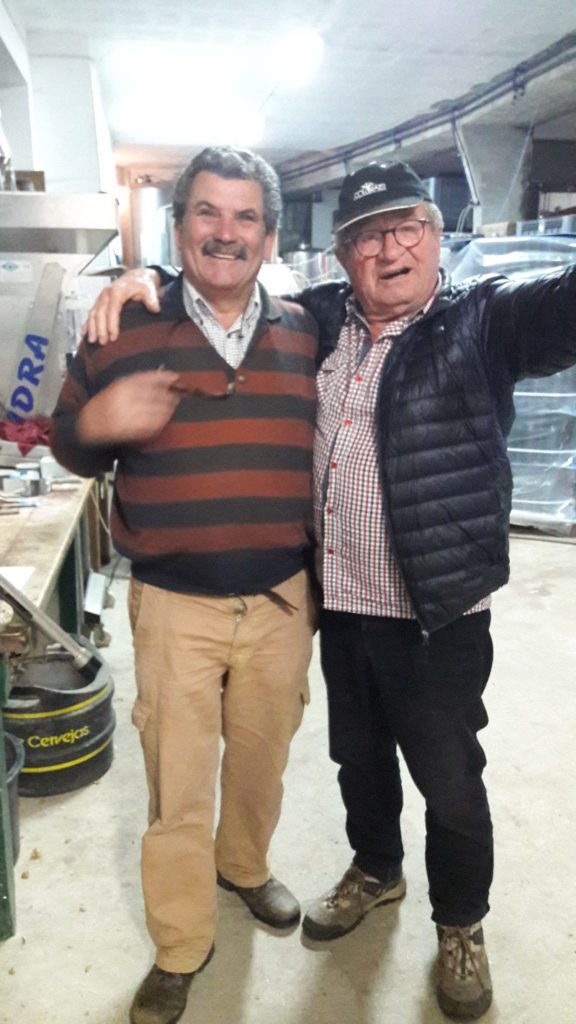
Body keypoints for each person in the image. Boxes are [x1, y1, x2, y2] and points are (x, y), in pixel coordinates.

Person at [84, 159, 576, 1022]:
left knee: (451, 779)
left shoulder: (485, 322)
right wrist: (147, 277)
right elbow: (224, 283)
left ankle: (461, 922)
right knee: (359, 760)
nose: (390, 250)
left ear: (436, 237)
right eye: (367, 237)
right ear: (342, 257)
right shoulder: (318, 319)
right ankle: (377, 868)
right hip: (341, 604)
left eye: (408, 227)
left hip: (436, 611)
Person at [51, 145, 318, 1024]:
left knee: (263, 760)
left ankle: (243, 867)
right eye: (208, 212)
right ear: (177, 227)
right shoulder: (121, 328)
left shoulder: (308, 330)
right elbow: (66, 442)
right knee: (178, 783)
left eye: (246, 218)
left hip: (282, 601)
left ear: (269, 237)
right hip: (172, 605)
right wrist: (97, 422)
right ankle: (180, 946)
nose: (226, 233)